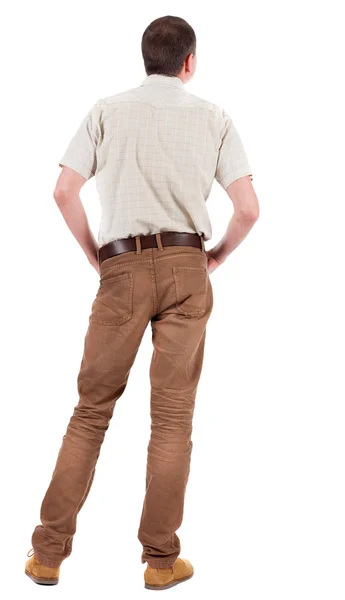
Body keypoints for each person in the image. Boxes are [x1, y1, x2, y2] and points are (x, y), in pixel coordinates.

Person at [25, 14, 259, 591]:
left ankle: (48, 556)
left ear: (145, 59)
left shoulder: (106, 110)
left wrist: (96, 254)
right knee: (173, 420)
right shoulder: (215, 118)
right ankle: (160, 562)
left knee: (90, 412)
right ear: (190, 62)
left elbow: (63, 190)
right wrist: (217, 257)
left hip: (121, 267)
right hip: (188, 266)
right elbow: (249, 209)